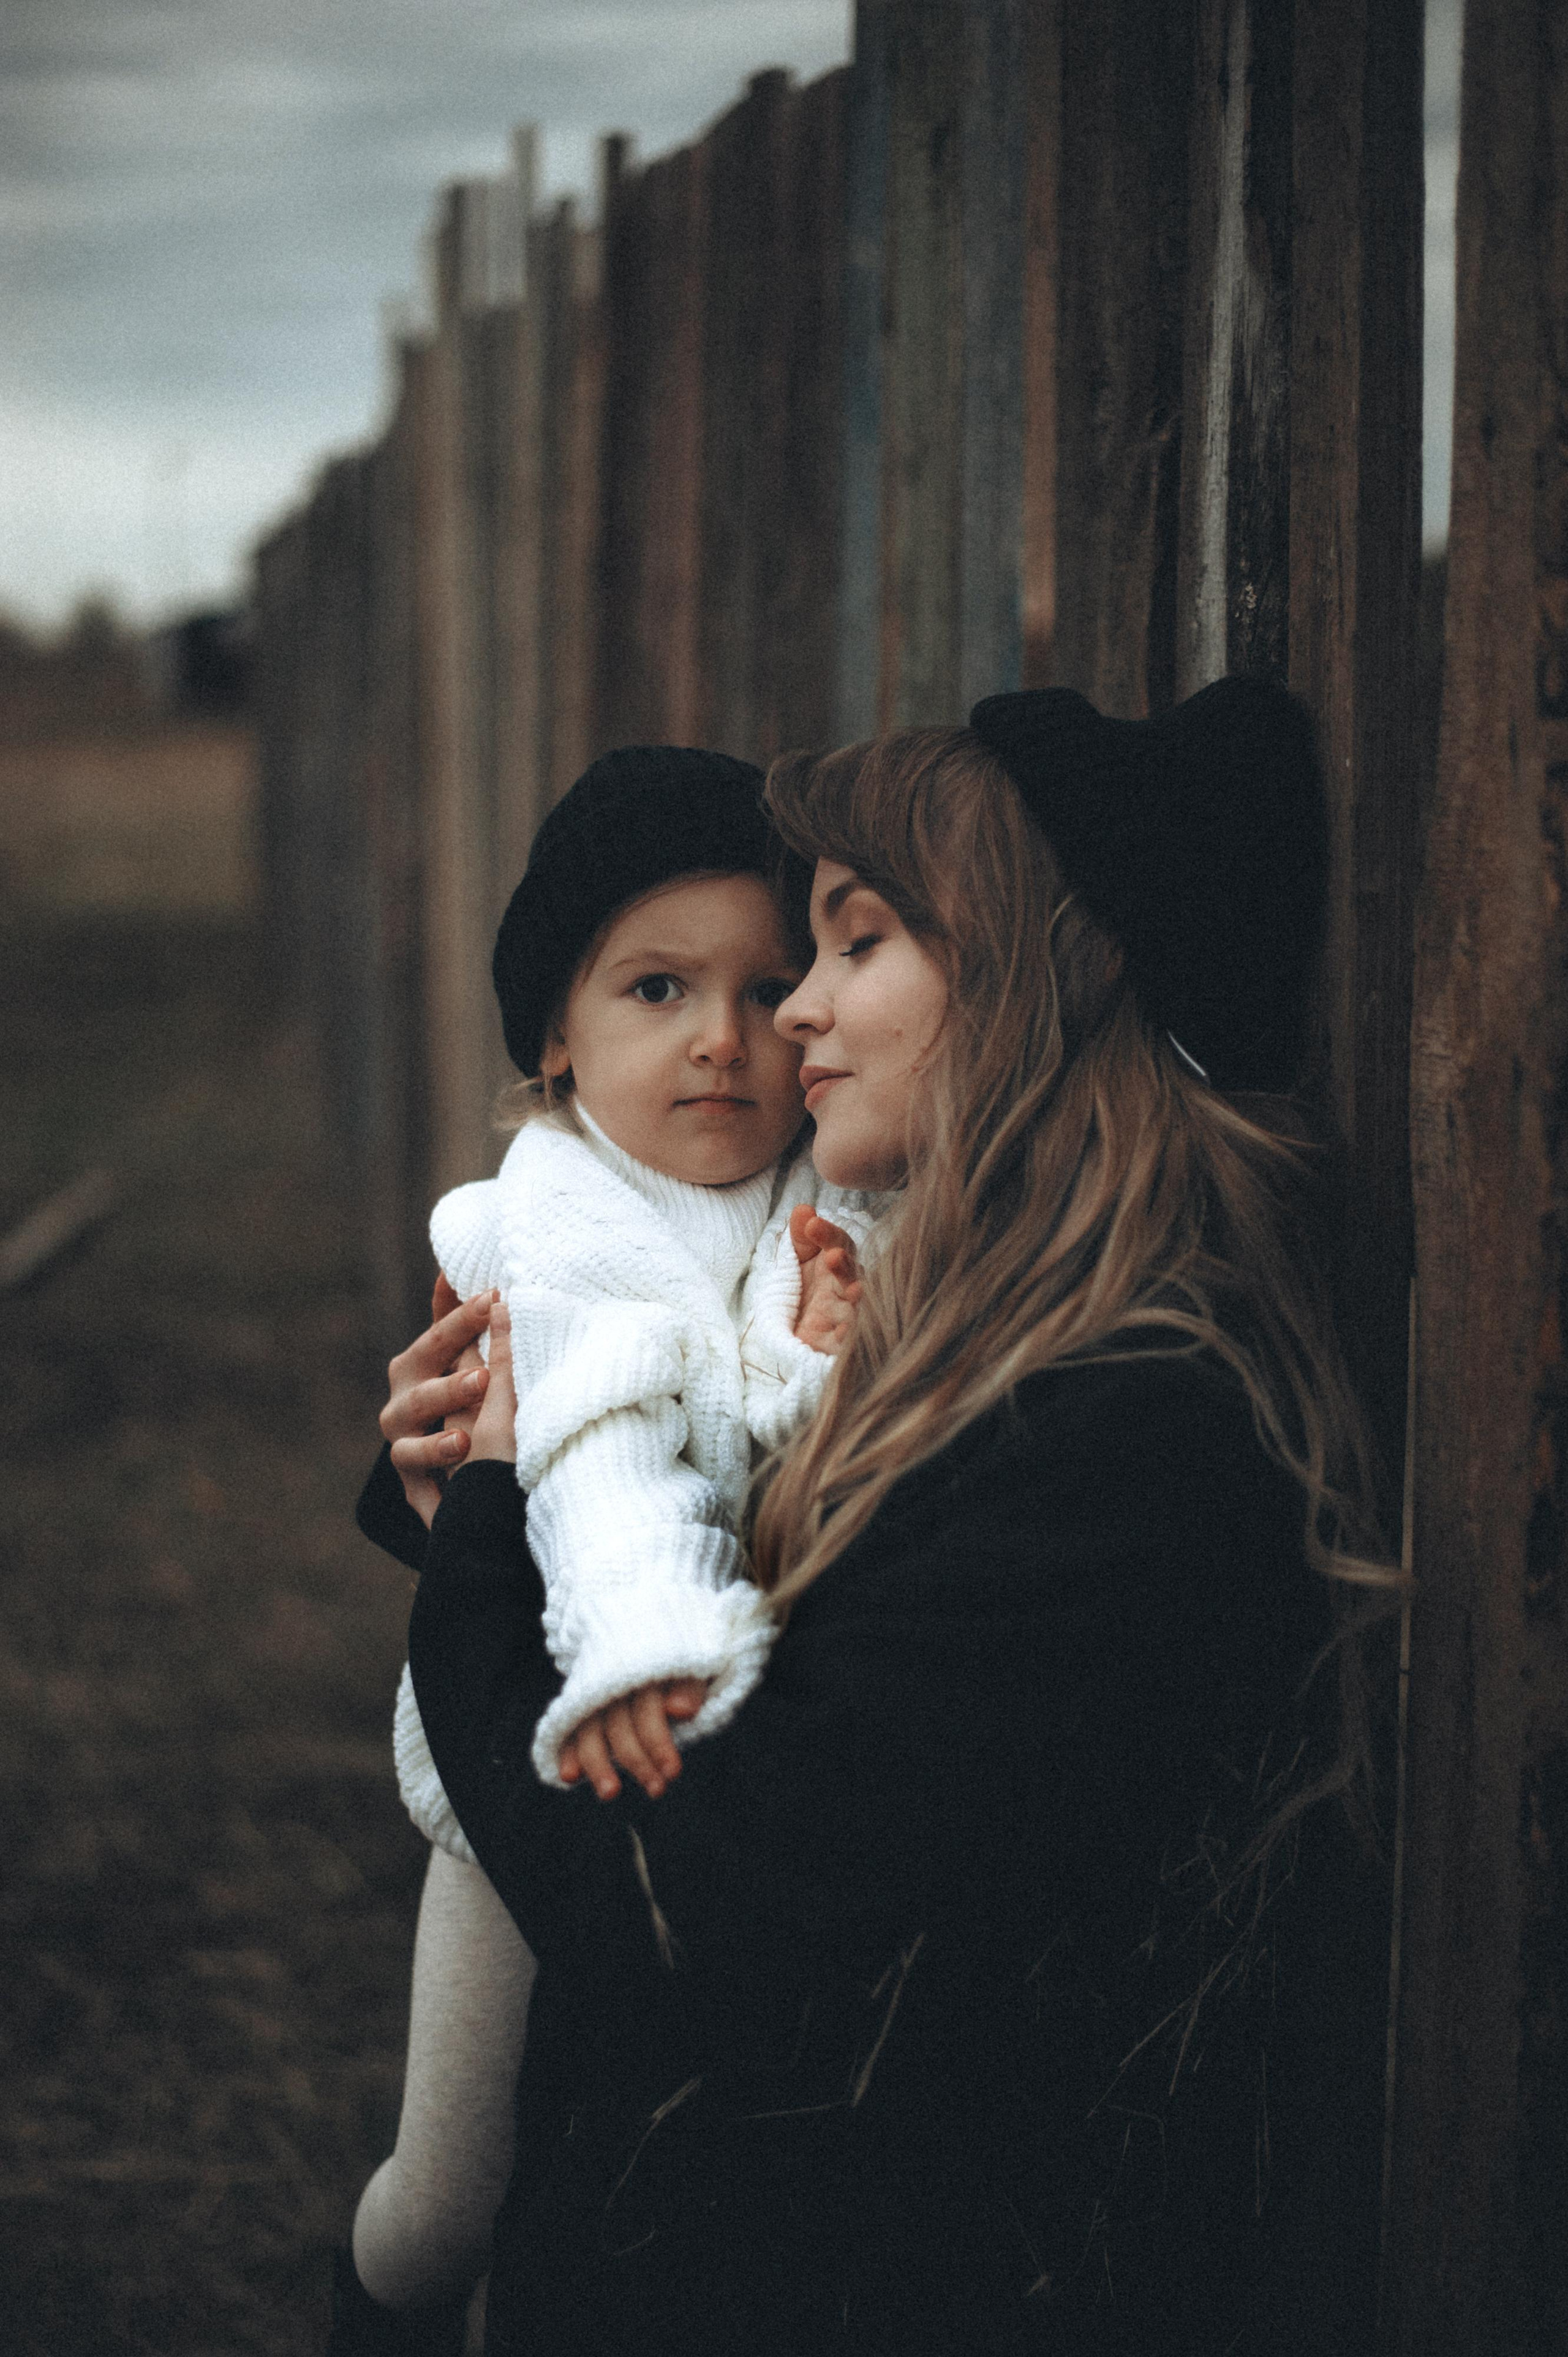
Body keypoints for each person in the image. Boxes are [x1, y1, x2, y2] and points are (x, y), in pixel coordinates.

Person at [365, 680, 1397, 2355]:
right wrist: (463, 1486)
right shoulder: (970, 1337)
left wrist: (490, 1528)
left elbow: (670, 1902)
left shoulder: (1122, 1435)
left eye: (850, 945)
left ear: (1046, 964)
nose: (787, 1019)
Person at [337, 746, 877, 2353]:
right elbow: (584, 1459)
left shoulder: (828, 1211)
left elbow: (808, 1443)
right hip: (542, 1731)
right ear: (556, 1037)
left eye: (767, 987)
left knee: (615, 2179)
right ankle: (374, 2311)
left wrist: (827, 1355)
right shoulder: (537, 1228)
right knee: (452, 2192)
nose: (720, 1037)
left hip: (733, 1762)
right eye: (654, 987)